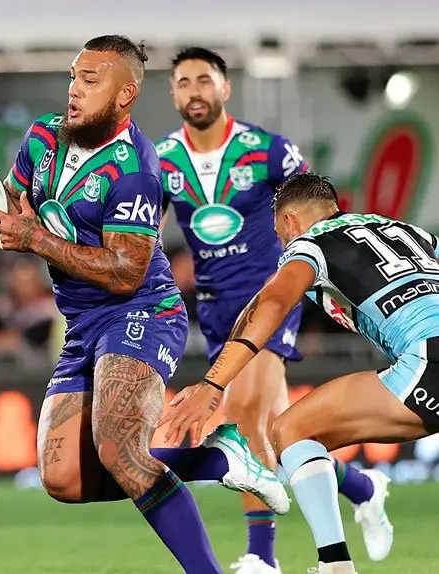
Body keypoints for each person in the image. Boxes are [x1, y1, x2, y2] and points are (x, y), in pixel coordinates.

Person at [0, 35, 287, 573]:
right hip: (81, 324)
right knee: (63, 479)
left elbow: (126, 272)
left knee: (119, 447)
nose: (74, 91)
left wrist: (35, 240)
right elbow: (15, 210)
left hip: (142, 312)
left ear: (125, 95)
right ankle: (220, 457)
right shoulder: (41, 140)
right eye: (73, 77)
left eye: (90, 82)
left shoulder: (136, 170)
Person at [154, 47, 393, 573]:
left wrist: (332, 281)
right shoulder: (163, 159)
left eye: (204, 79)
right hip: (215, 312)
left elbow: (318, 215)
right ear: (172, 93)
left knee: (241, 420)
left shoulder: (267, 151)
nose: (193, 90)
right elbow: (145, 230)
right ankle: (362, 486)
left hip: (270, 300)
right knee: (276, 433)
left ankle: (262, 558)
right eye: (183, 82)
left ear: (225, 88)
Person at [159, 171, 439, 574]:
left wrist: (212, 383)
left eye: (278, 234)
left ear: (289, 222)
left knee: (294, 430)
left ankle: (335, 565)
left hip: (428, 362)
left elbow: (271, 304)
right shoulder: (404, 231)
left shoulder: (310, 243)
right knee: (298, 427)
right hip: (423, 358)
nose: (281, 244)